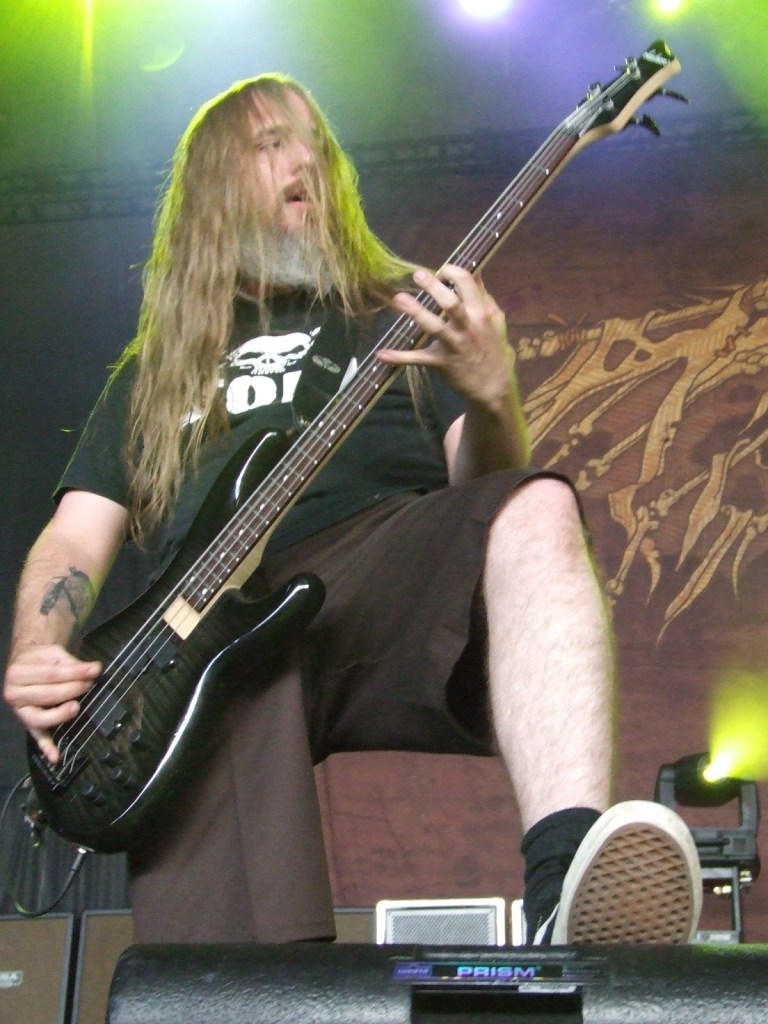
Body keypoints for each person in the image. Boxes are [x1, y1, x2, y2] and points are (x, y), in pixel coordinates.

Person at [3, 73, 702, 945]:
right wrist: (38, 647)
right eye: (272, 145)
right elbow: (76, 531)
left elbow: (484, 494)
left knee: (536, 508)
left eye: (317, 146)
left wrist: (490, 397)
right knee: (218, 964)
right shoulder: (158, 368)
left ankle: (563, 889)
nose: (307, 161)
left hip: (377, 567)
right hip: (208, 631)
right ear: (215, 190)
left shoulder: (408, 309)